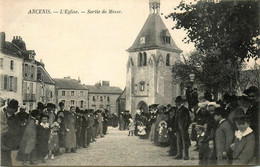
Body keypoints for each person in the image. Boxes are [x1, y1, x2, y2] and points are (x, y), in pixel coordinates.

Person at [1, 99, 21, 166]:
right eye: (11, 108)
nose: (13, 111)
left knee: (6, 157)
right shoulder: (2, 114)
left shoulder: (15, 118)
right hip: (1, 138)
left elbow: (17, 129)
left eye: (14, 109)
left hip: (8, 141)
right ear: (8, 108)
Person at [244, 86, 259, 164]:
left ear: (257, 96)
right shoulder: (251, 107)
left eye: (253, 96)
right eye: (249, 96)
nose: (251, 98)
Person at [173, 96, 191, 160]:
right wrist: (175, 128)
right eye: (176, 102)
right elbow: (175, 119)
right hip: (178, 128)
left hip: (183, 128)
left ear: (181, 102)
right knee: (178, 141)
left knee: (185, 142)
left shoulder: (185, 109)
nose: (176, 103)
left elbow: (188, 119)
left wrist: (185, 127)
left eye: (178, 102)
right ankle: (179, 154)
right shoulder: (177, 109)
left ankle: (186, 155)